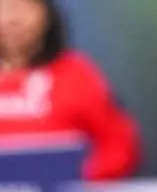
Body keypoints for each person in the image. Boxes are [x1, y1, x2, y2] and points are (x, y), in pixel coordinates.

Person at [0, 0, 139, 179]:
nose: (11, 19)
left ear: (47, 14)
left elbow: (119, 145)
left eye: (23, 7)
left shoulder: (77, 73)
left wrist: (78, 181)